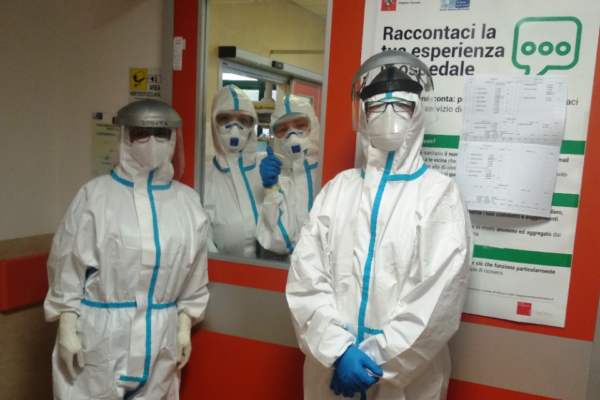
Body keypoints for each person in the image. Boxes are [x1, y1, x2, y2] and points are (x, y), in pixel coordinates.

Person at [286, 51, 473, 399]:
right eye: (375, 106)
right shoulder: (338, 190)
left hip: (404, 381)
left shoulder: (439, 195)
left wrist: (375, 360)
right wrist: (339, 351)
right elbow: (306, 276)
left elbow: (437, 300)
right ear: (363, 114)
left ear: (418, 112)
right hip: (332, 369)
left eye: (401, 105)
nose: (388, 115)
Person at [44, 99, 210, 400]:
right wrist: (67, 328)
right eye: (141, 133)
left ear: (173, 138)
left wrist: (184, 326)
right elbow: (67, 267)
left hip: (161, 337)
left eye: (161, 134)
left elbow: (195, 275)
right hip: (101, 339)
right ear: (125, 137)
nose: (152, 142)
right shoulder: (96, 195)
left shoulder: (188, 203)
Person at [205, 85, 295, 258]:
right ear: (214, 122)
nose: (235, 127)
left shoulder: (271, 166)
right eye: (225, 118)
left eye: (243, 120)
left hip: (271, 269)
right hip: (225, 272)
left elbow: (286, 240)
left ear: (252, 125)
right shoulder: (205, 176)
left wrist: (273, 188)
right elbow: (202, 241)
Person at [255, 95, 319, 254]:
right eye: (283, 130)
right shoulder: (283, 183)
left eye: (300, 125)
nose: (292, 135)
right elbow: (280, 242)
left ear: (313, 125)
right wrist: (271, 189)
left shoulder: (333, 174)